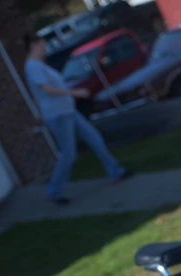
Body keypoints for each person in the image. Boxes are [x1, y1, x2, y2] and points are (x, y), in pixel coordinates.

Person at [23, 33, 132, 205]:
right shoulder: (32, 66)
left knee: (95, 138)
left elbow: (38, 94)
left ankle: (115, 171)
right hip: (58, 115)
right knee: (69, 154)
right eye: (43, 44)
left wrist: (39, 112)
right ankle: (54, 191)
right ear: (33, 44)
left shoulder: (39, 65)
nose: (45, 47)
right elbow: (47, 90)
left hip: (68, 111)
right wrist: (75, 92)